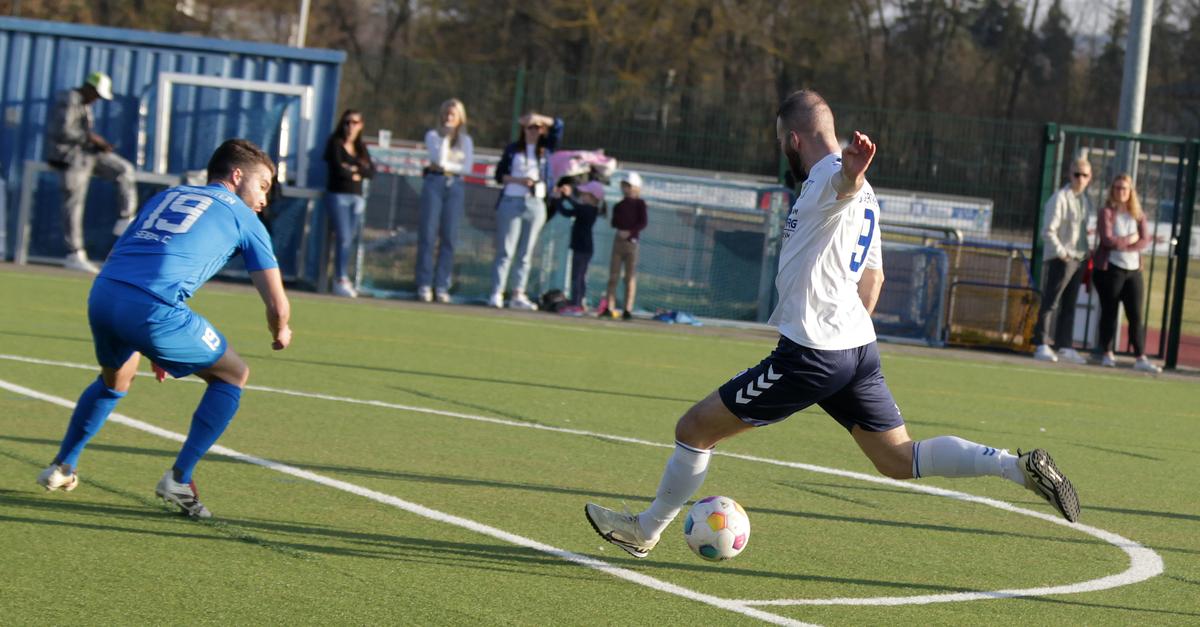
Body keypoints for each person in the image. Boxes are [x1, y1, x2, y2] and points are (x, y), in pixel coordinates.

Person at [584, 90, 1080, 559]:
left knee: (694, 429)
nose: (784, 152)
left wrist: (853, 173)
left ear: (793, 139)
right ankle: (1015, 468)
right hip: (856, 349)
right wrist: (843, 331)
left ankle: (644, 531)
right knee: (897, 459)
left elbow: (844, 184)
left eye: (783, 144)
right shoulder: (865, 197)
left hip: (812, 353)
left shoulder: (831, 178)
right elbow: (875, 277)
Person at [36, 139, 292, 519]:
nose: (264, 200)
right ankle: (180, 478)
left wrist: (153, 339)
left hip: (105, 294)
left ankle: (62, 466)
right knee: (233, 374)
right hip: (152, 309)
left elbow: (134, 253)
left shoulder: (170, 195)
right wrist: (280, 332)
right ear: (237, 176)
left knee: (114, 381)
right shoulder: (245, 218)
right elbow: (277, 304)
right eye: (263, 186)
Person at [44, 71, 137, 274]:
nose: (96, 100)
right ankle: (74, 253)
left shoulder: (84, 105)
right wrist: (93, 139)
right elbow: (63, 131)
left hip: (87, 155)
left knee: (124, 170)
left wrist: (97, 144)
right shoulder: (70, 99)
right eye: (96, 95)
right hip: (71, 158)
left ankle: (125, 218)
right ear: (89, 88)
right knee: (74, 203)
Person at [489, 111, 563, 310]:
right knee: (506, 249)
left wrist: (539, 117)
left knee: (525, 253)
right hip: (511, 200)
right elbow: (499, 175)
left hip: (535, 203)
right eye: (530, 127)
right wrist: (519, 181)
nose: (533, 131)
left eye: (537, 128)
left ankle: (517, 293)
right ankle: (497, 291)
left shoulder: (545, 150)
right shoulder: (513, 149)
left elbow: (559, 126)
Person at [1093, 174, 1162, 374]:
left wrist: (1126, 243)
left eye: (1124, 188)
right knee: (1109, 312)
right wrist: (1129, 239)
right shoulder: (1106, 212)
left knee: (1136, 315)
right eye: (1117, 188)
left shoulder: (1138, 214)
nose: (1121, 192)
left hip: (1133, 271)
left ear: (1131, 191)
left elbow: (1144, 239)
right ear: (1112, 190)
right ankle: (1106, 352)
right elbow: (1107, 240)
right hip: (1111, 269)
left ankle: (1140, 356)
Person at [1032, 158, 1094, 364]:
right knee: (1051, 301)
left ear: (1089, 178)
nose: (1080, 179)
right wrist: (1062, 252)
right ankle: (1041, 342)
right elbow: (1048, 230)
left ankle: (1064, 346)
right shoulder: (1059, 198)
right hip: (1063, 258)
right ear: (1069, 175)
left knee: (1069, 304)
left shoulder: (1084, 200)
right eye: (1077, 174)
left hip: (1079, 258)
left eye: (1084, 175)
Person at [416, 98, 475, 303]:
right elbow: (439, 161)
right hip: (434, 183)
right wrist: (446, 138)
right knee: (428, 235)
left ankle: (442, 284)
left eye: (453, 115)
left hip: (455, 186)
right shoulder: (432, 136)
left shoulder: (465, 141)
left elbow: (466, 168)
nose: (449, 118)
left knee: (449, 237)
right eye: (446, 114)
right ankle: (424, 283)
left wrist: (450, 167)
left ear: (460, 118)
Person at [323, 109, 374, 298]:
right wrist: (355, 171)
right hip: (338, 196)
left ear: (361, 125)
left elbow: (371, 172)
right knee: (343, 237)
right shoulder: (335, 144)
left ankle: (344, 276)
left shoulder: (361, 148)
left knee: (349, 239)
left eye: (355, 122)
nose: (350, 126)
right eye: (347, 122)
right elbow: (338, 170)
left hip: (357, 198)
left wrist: (353, 169)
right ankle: (340, 278)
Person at [551, 180, 606, 309]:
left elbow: (571, 209)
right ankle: (577, 301)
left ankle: (577, 303)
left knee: (578, 277)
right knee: (577, 276)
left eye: (585, 194)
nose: (582, 196)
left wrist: (562, 198)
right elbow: (569, 209)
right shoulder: (585, 208)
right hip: (580, 247)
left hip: (583, 248)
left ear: (593, 197)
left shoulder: (589, 209)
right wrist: (563, 198)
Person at [601, 171, 648, 320]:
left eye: (628, 186)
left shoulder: (640, 204)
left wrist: (630, 232)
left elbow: (642, 222)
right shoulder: (619, 205)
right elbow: (615, 222)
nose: (625, 189)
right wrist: (621, 230)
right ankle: (609, 306)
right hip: (618, 242)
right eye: (624, 186)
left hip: (632, 243)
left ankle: (628, 309)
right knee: (613, 276)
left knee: (629, 277)